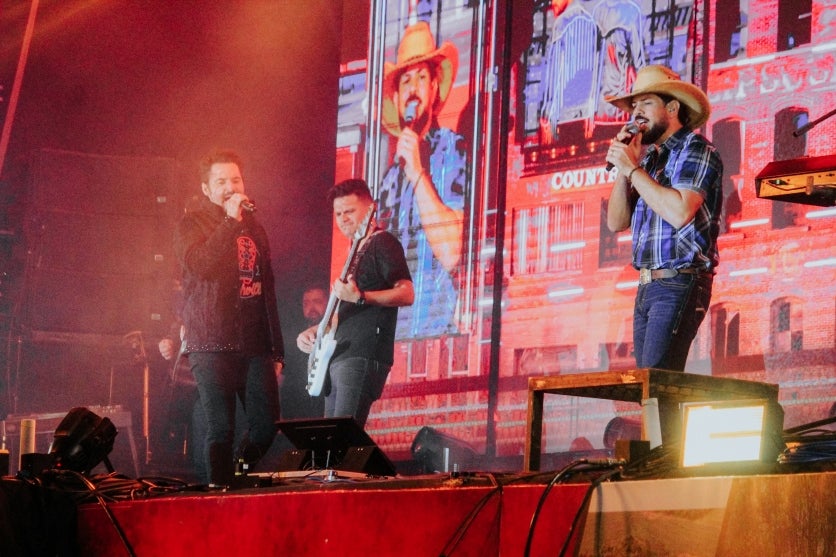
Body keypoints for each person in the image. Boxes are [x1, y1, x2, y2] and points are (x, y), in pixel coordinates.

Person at [604, 65, 723, 443]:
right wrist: (624, 169)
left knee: (657, 387)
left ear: (672, 108)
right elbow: (616, 222)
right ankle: (663, 458)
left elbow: (679, 211)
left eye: (645, 104)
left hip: (679, 282)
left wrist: (633, 169)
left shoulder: (697, 149)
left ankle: (667, 463)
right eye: (633, 107)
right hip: (647, 286)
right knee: (651, 391)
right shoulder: (648, 161)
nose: (635, 114)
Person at [174, 149, 284, 487]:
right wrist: (229, 222)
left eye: (235, 180)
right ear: (206, 189)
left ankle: (237, 470)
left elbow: (267, 290)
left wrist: (277, 350)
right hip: (210, 342)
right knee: (221, 427)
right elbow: (202, 265)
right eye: (221, 181)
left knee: (266, 426)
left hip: (254, 344)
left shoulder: (255, 228)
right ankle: (218, 494)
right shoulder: (192, 224)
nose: (230, 187)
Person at [296, 179, 414, 427]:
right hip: (338, 355)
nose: (343, 219)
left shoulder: (382, 242)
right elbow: (349, 311)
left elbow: (407, 293)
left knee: (342, 436)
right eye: (338, 213)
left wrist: (361, 297)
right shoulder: (354, 252)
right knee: (332, 437)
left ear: (370, 209)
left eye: (349, 211)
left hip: (362, 353)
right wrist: (317, 330)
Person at [378, 21, 467, 338]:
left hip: (437, 336)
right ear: (397, 97)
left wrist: (417, 172)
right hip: (391, 339)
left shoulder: (453, 150)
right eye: (405, 81)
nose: (413, 88)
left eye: (421, 78)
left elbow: (452, 252)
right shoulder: (389, 178)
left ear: (434, 88)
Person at [280, 285, 327, 420]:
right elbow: (282, 377)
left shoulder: (335, 335)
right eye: (306, 303)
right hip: (296, 407)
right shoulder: (293, 338)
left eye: (317, 301)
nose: (311, 308)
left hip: (324, 405)